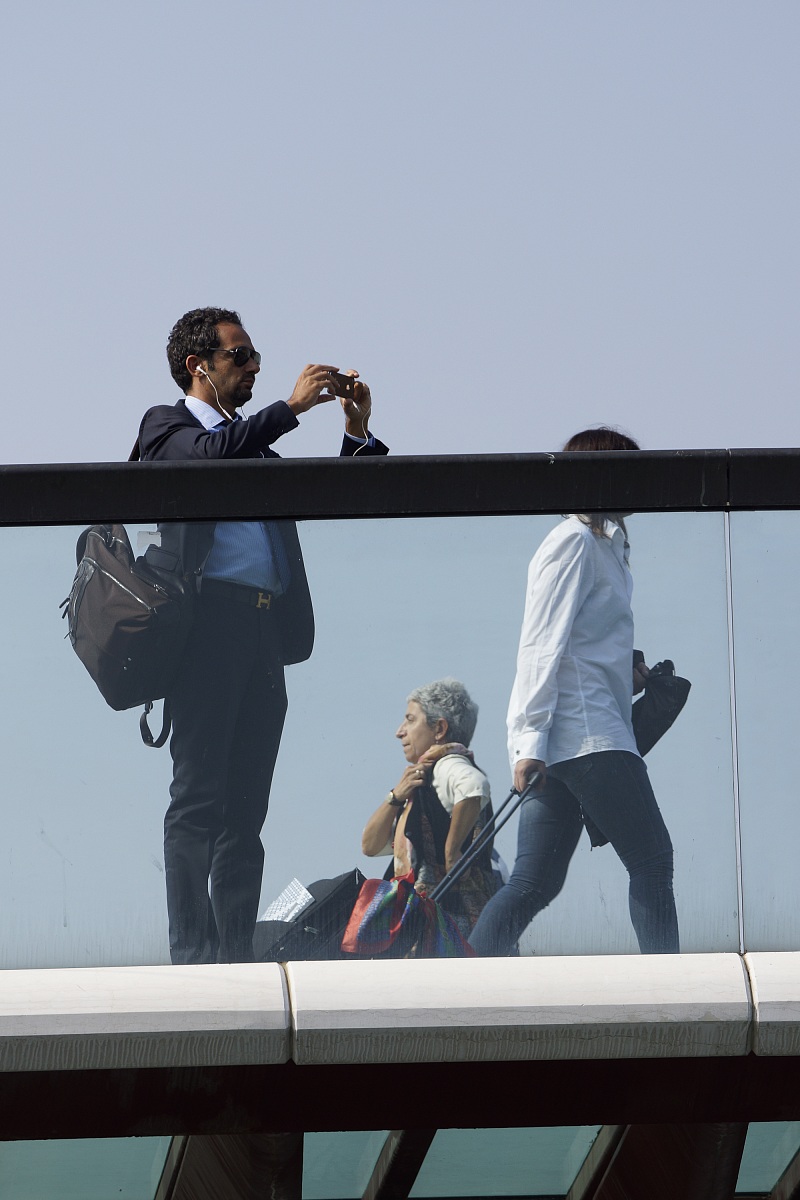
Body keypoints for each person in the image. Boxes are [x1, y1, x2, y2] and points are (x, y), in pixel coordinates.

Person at [135, 306, 388, 965]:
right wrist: (291, 406)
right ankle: (193, 956)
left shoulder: (254, 449)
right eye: (239, 356)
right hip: (205, 630)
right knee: (197, 802)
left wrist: (355, 430)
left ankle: (234, 953)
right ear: (200, 367)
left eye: (254, 357)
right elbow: (208, 459)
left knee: (245, 812)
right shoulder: (169, 429)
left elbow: (342, 501)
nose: (253, 366)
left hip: (260, 633)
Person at [469, 427, 679, 957]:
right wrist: (527, 742)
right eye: (630, 472)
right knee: (652, 859)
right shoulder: (573, 542)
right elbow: (540, 645)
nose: (642, 485)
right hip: (589, 738)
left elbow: (582, 642)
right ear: (601, 476)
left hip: (574, 738)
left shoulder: (607, 545)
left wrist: (625, 671)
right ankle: (674, 989)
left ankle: (462, 986)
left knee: (534, 884)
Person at [361, 678, 495, 937]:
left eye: (410, 720)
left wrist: (451, 852)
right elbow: (370, 846)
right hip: (440, 922)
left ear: (439, 728)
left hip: (448, 923)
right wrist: (396, 796)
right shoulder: (423, 780)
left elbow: (474, 785)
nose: (400, 731)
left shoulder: (449, 763)